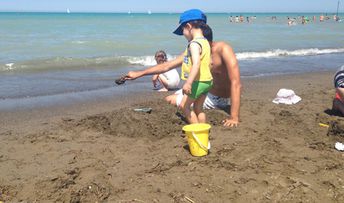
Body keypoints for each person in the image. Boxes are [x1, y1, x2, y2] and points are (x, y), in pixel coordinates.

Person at [125, 14, 241, 127]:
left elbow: (236, 83)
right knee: (178, 94)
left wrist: (234, 117)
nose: (184, 36)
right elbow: (167, 65)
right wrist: (139, 73)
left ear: (190, 27)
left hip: (217, 97)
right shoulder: (194, 49)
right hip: (201, 86)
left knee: (171, 99)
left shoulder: (222, 49)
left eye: (183, 31)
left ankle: (198, 130)